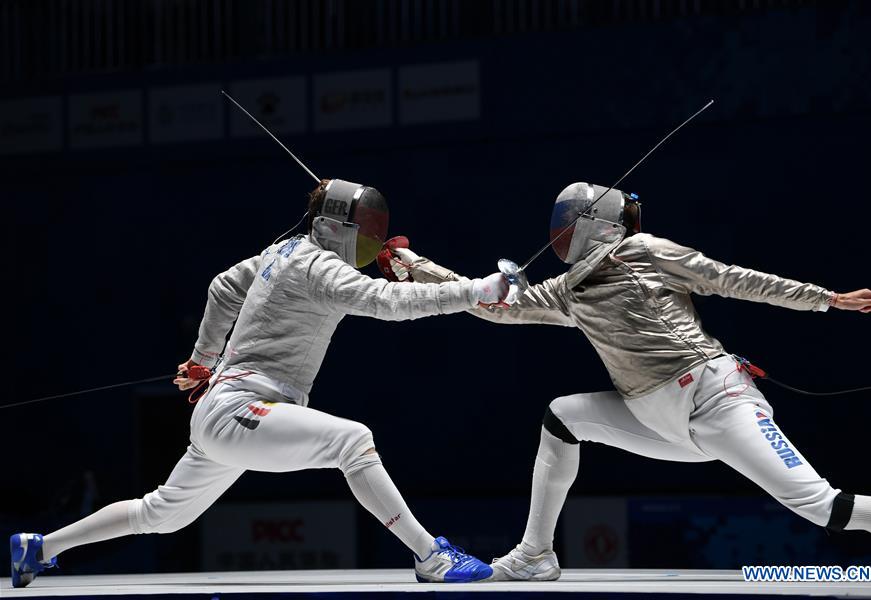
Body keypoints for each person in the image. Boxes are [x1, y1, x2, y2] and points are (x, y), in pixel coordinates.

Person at [9, 179, 510, 588]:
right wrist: (474, 291)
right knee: (353, 441)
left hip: (229, 411)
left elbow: (224, 286)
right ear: (334, 227)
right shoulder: (319, 267)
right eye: (368, 233)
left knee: (161, 513)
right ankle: (430, 557)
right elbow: (387, 302)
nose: (375, 242)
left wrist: (203, 361)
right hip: (241, 410)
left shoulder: (284, 250)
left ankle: (39, 547)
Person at [386, 181, 871, 581]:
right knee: (563, 417)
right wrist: (419, 267)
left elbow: (730, 278)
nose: (560, 232)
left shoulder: (646, 250)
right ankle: (534, 555)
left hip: (717, 401)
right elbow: (493, 305)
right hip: (656, 418)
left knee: (826, 508)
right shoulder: (568, 289)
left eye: (568, 222)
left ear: (590, 224)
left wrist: (826, 298)